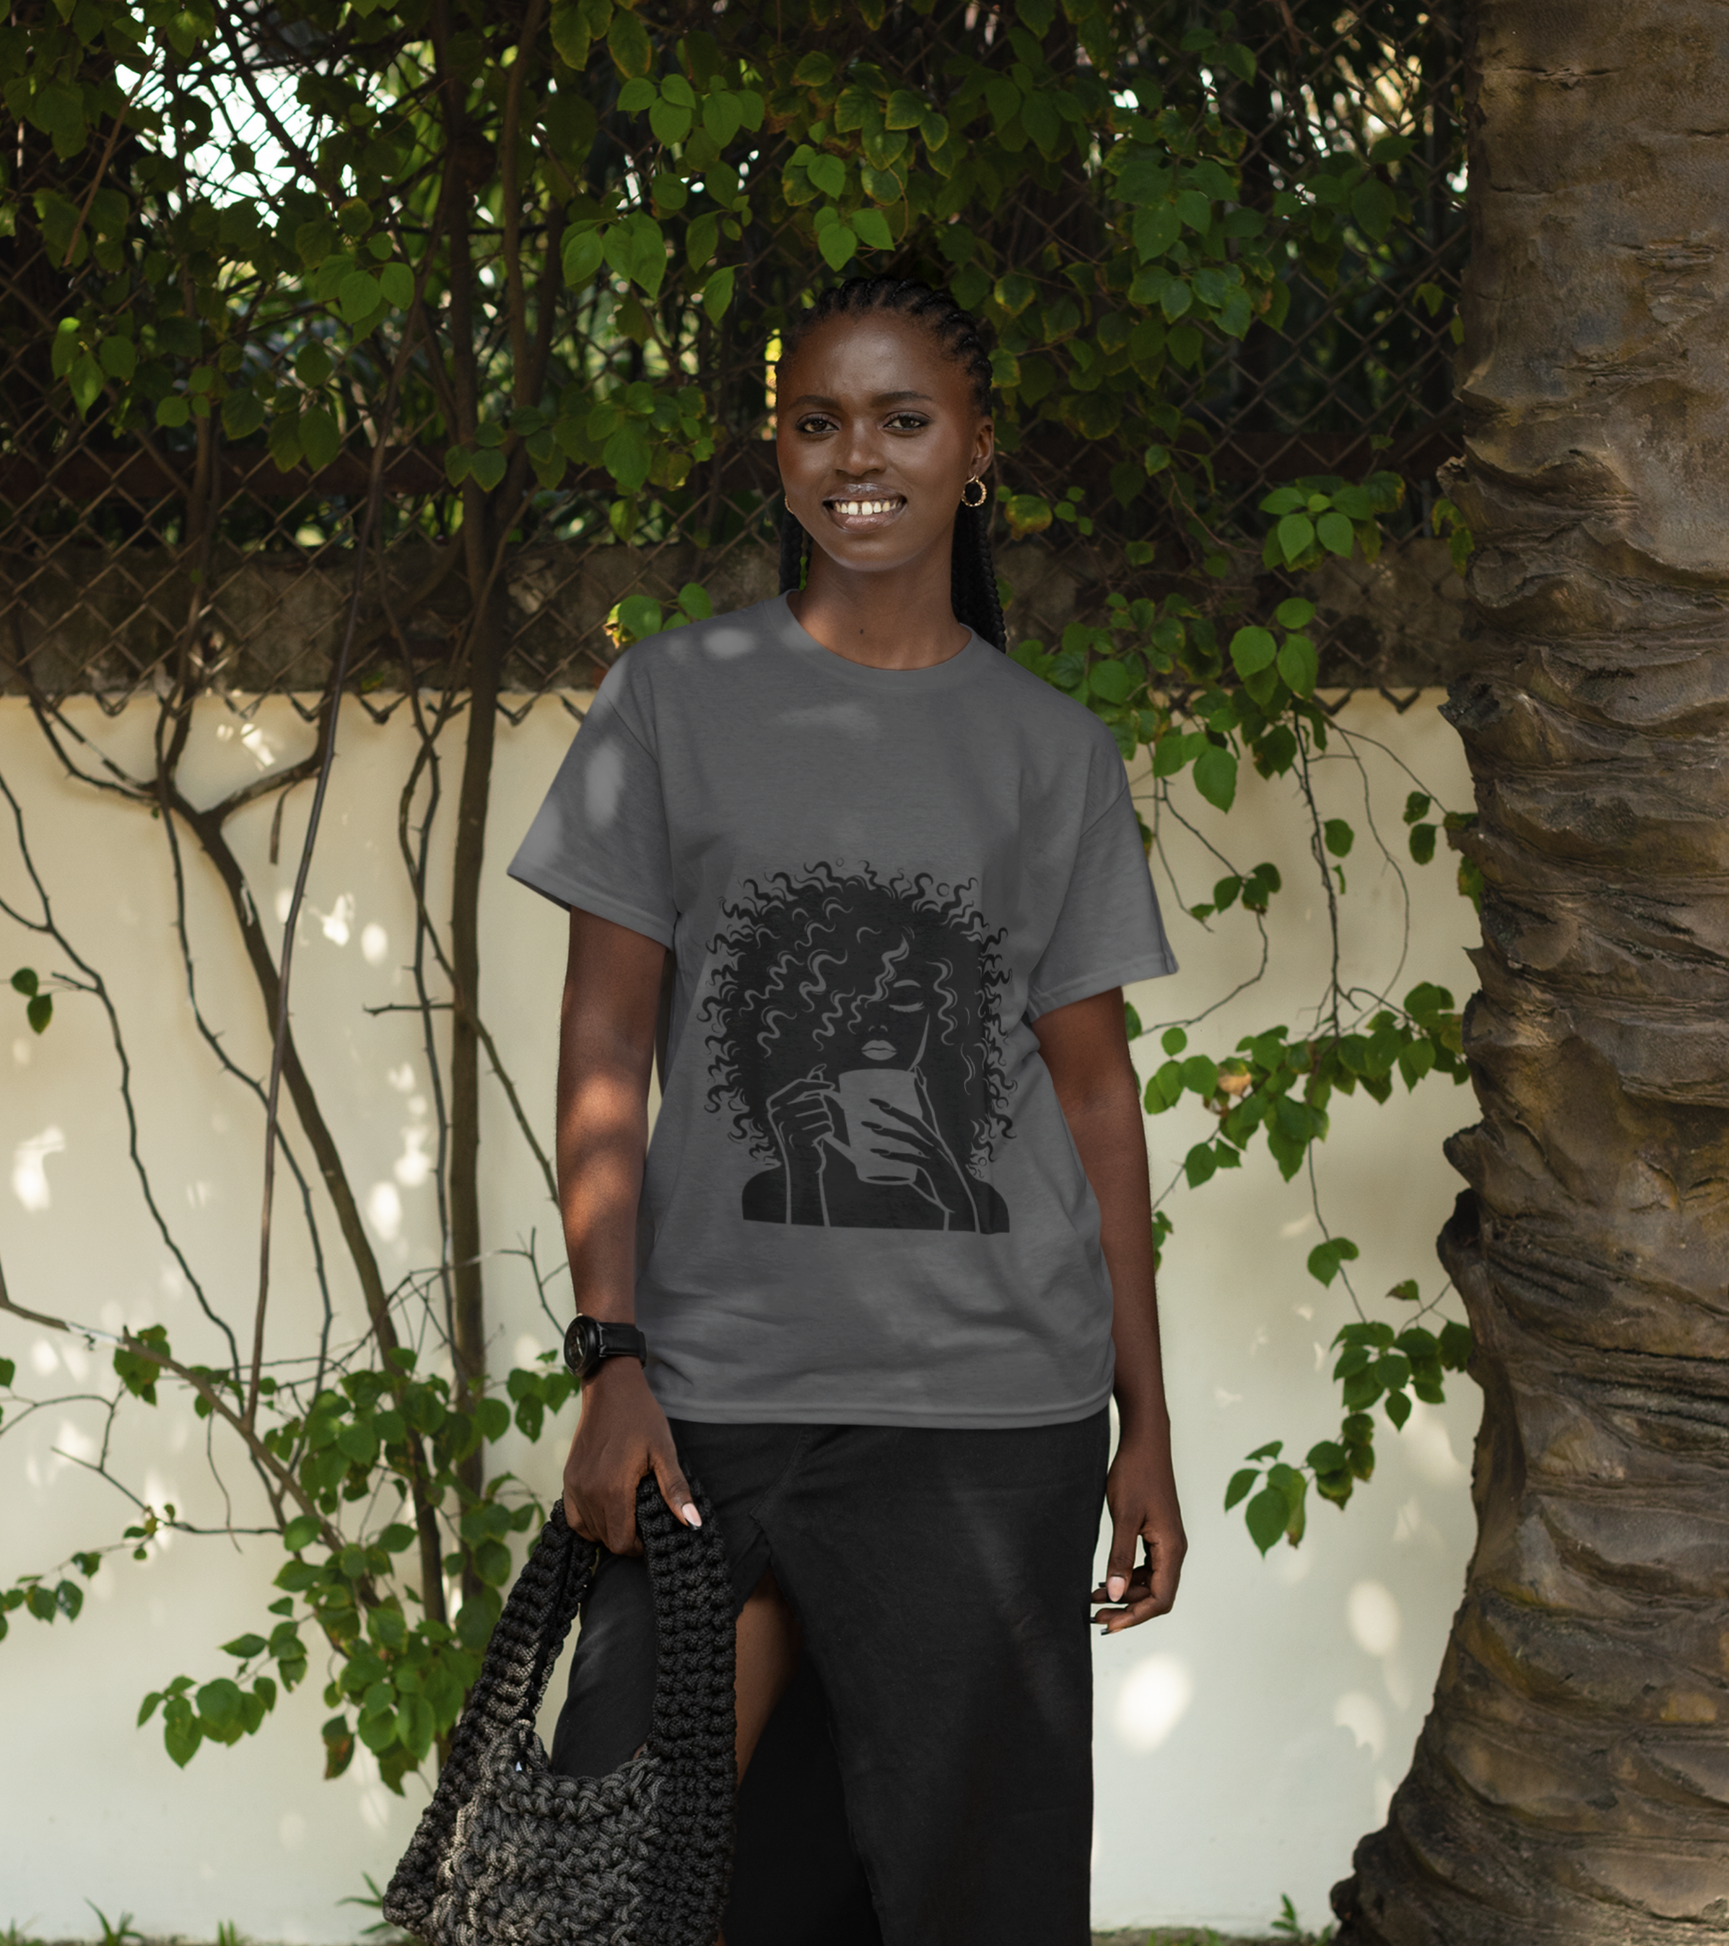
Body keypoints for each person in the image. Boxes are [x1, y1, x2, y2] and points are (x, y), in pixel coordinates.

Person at [507, 274, 1186, 1945]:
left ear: (976, 449)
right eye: (817, 422)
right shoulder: (670, 701)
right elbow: (604, 1036)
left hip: (986, 1415)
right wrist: (610, 1356)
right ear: (778, 449)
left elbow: (1093, 1098)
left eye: (901, 419)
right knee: (617, 1888)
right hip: (708, 1400)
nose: (856, 456)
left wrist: (1146, 1423)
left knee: (969, 1903)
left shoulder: (1048, 751)